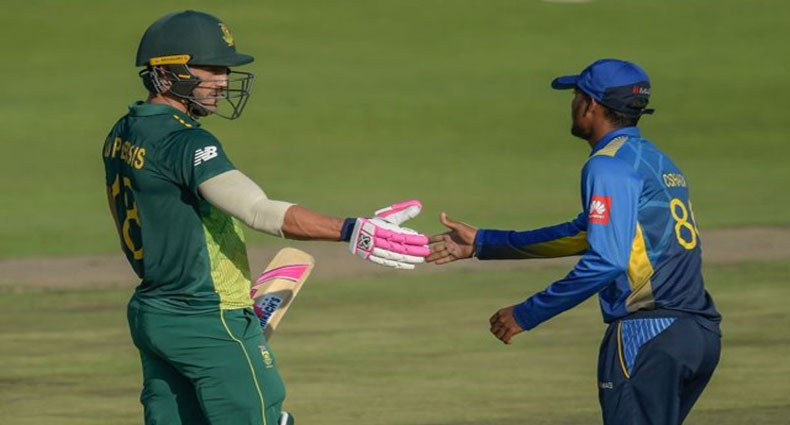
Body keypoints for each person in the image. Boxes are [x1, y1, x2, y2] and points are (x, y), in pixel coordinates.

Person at [102, 10, 430, 425]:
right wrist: (352, 230)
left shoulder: (122, 133)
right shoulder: (186, 142)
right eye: (212, 69)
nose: (223, 81)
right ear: (167, 73)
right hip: (208, 319)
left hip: (154, 314)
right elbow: (258, 210)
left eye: (225, 70)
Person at [427, 59, 721, 425]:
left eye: (576, 95)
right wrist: (484, 243)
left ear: (590, 105)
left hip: (647, 333)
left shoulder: (607, 165)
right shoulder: (657, 161)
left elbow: (607, 260)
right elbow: (585, 233)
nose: (573, 104)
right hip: (697, 335)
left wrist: (527, 313)